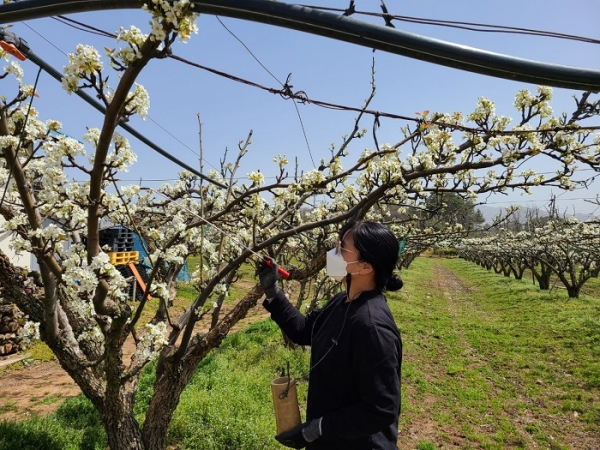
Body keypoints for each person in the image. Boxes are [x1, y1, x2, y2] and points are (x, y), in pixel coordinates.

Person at [258, 220, 403, 450]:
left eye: (342, 249)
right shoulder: (342, 301)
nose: (333, 253)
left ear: (365, 266)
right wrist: (273, 293)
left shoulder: (372, 327)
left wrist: (317, 428)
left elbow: (380, 410)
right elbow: (305, 331)